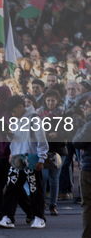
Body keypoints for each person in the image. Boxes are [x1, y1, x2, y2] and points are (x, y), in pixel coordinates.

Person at [0, 95, 48, 229]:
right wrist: (9, 137)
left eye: (14, 111)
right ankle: (8, 217)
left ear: (20, 106)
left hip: (31, 158)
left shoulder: (34, 119)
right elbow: (15, 138)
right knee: (11, 189)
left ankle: (39, 217)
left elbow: (41, 139)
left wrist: (41, 158)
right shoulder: (16, 120)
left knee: (35, 189)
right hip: (17, 159)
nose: (13, 114)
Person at [73, 100, 91, 238]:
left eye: (87, 106)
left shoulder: (88, 125)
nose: (84, 109)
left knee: (87, 204)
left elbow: (77, 142)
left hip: (88, 169)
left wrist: (82, 127)